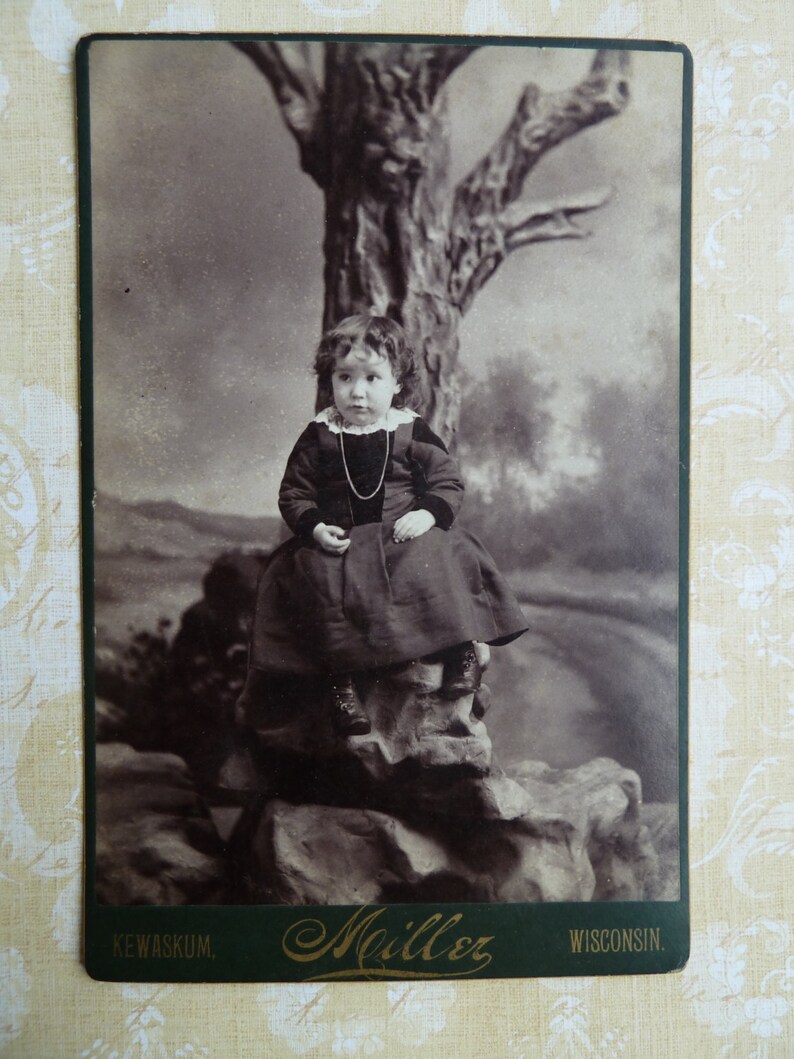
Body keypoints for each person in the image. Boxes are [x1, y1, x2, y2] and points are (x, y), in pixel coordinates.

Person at [240, 315, 527, 737]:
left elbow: (448, 480)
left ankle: (461, 649)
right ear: (330, 382)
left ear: (396, 383)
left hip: (400, 536)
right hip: (341, 541)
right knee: (310, 575)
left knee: (447, 554)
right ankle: (341, 683)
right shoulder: (319, 435)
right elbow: (294, 494)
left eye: (372, 378)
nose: (357, 392)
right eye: (345, 377)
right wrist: (316, 527)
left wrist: (427, 513)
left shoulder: (410, 429)